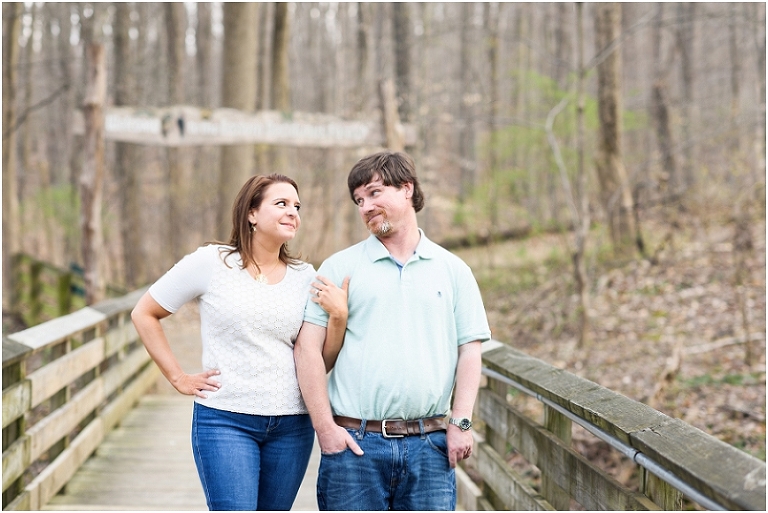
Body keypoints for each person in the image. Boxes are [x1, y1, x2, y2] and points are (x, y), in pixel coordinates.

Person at [131, 174, 349, 511]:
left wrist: (338, 318)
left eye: (297, 206)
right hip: (225, 419)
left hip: (292, 424)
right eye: (281, 204)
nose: (293, 212)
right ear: (251, 213)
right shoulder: (212, 262)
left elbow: (321, 359)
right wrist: (178, 377)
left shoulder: (305, 276)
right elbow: (144, 313)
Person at [294, 151, 491, 511]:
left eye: (374, 193)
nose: (365, 206)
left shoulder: (453, 270)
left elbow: (470, 349)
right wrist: (324, 428)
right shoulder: (339, 267)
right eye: (359, 200)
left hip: (430, 445)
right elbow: (307, 350)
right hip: (355, 445)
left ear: (406, 190)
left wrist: (461, 421)